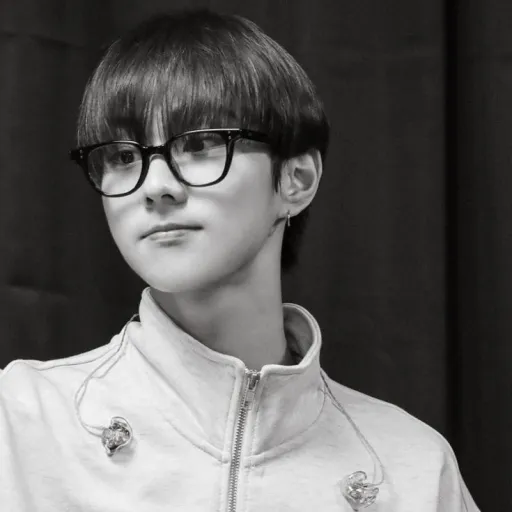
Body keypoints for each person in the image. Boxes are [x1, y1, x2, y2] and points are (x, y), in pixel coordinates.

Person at [0, 8, 479, 512]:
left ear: (296, 180)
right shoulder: (20, 421)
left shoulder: (413, 469)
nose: (155, 186)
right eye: (123, 157)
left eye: (200, 144)